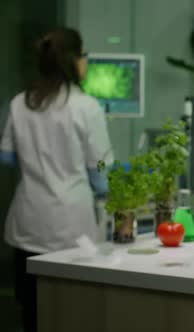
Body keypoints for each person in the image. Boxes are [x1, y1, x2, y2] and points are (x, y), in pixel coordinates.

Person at [0, 27, 113, 332]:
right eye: (84, 56)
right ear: (74, 61)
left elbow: (8, 156)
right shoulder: (86, 107)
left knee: (32, 313)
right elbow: (100, 167)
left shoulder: (20, 103)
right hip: (71, 229)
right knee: (70, 312)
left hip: (29, 223)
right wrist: (105, 179)